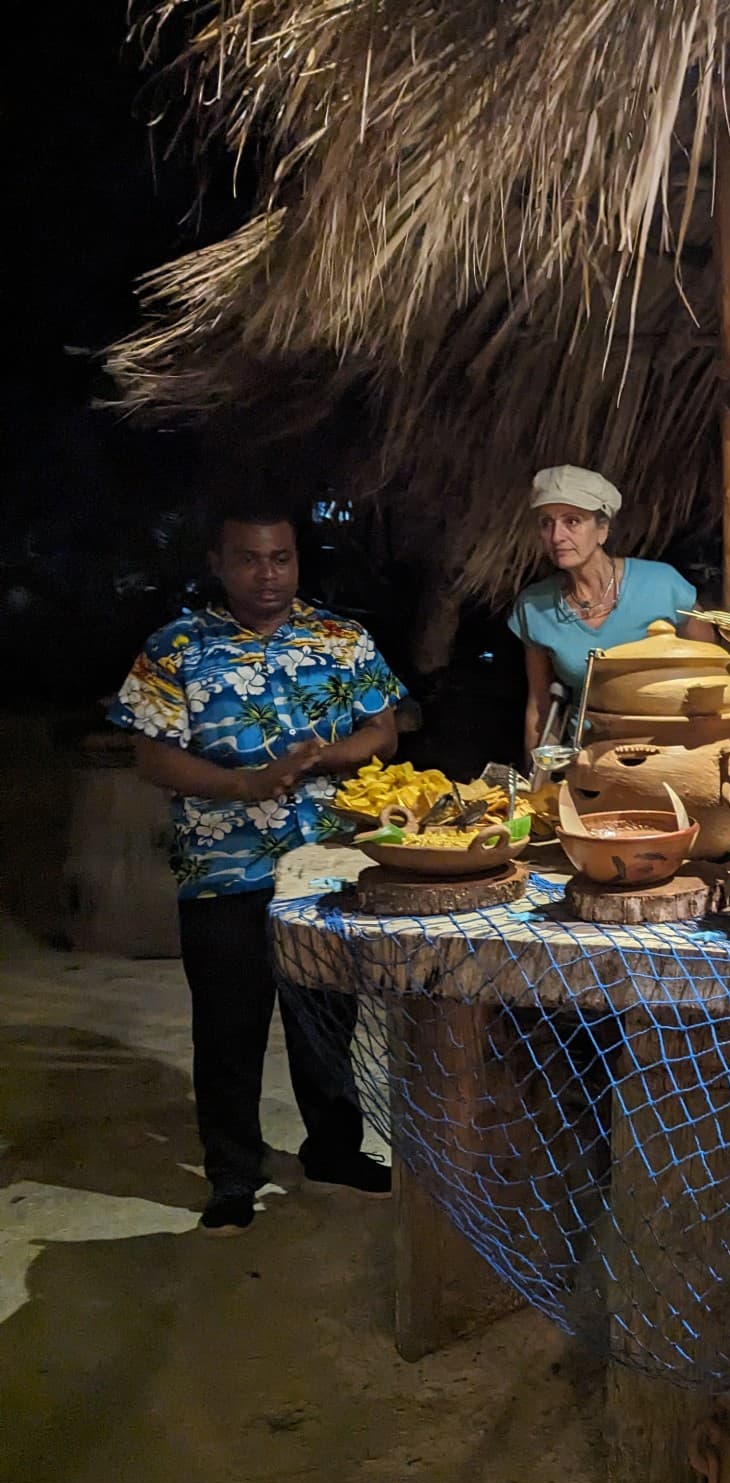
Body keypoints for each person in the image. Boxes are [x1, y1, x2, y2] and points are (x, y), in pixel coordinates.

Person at [113, 499, 406, 1234]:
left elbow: (385, 731)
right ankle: (233, 1175)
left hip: (329, 868)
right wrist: (242, 784)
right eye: (248, 558)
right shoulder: (177, 647)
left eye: (281, 558)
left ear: (297, 560)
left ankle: (334, 1149)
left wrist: (320, 757)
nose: (267, 574)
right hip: (222, 869)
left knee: (326, 1019)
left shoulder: (341, 640)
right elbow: (150, 753)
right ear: (217, 562)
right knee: (228, 1028)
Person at [507, 464, 709, 762]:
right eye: (546, 523)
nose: (556, 536)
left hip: (669, 754)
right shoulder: (535, 607)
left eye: (572, 521)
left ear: (602, 530)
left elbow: (713, 671)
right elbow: (539, 705)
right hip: (589, 760)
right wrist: (537, 783)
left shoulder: (663, 585)